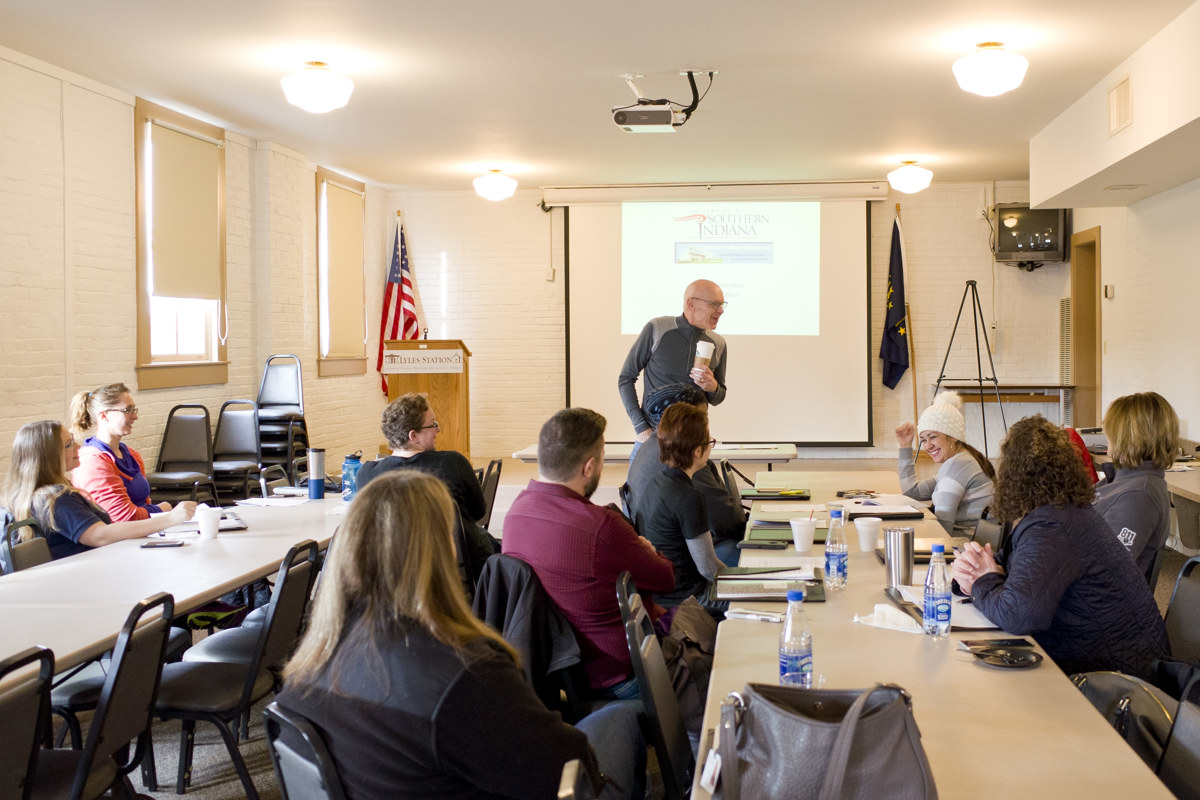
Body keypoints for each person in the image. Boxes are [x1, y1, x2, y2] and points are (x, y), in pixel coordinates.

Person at [277, 470, 645, 800]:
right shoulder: (465, 672)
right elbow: (559, 769)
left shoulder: (309, 664)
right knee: (619, 720)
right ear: (442, 551)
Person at [951, 415, 1169, 680]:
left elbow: (1018, 616)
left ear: (1012, 476)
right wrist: (973, 569)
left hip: (1120, 684)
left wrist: (982, 582)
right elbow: (1022, 567)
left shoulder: (1051, 526)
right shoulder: (1064, 513)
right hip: (1123, 661)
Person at [502, 407, 675, 698]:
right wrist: (647, 548)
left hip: (557, 673)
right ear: (589, 467)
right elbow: (666, 579)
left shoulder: (514, 513)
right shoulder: (601, 528)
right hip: (621, 677)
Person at [2, 420, 196, 560]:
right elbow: (100, 535)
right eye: (69, 444)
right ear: (50, 456)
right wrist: (171, 518)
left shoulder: (25, 496)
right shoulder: (56, 497)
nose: (78, 446)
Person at [355, 392, 497, 574]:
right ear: (413, 436)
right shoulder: (452, 463)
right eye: (433, 425)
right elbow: (478, 512)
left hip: (393, 574)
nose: (438, 430)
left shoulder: (367, 474)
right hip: (457, 571)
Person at [627, 382, 744, 563]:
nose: (704, 425)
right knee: (752, 554)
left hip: (658, 555)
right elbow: (727, 521)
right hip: (680, 561)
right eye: (700, 417)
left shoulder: (647, 448)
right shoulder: (685, 458)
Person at [633, 403, 725, 608]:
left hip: (662, 596)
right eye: (710, 442)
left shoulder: (655, 483)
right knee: (760, 602)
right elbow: (709, 569)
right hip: (689, 601)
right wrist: (746, 582)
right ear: (698, 451)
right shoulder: (688, 497)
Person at [618, 279, 728, 447]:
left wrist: (712, 387)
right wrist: (641, 428)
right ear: (691, 304)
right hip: (654, 441)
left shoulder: (718, 343)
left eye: (722, 304)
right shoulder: (658, 328)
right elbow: (626, 378)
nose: (720, 310)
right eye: (714, 304)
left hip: (694, 444)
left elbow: (718, 398)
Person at [1093, 391, 1178, 583]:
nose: (1108, 443)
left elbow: (1104, 573)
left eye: (1111, 435)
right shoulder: (1123, 480)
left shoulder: (1139, 495)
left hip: (1098, 607)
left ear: (1129, 438)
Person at [69, 382, 172, 522]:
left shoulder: (131, 454)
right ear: (104, 416)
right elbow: (122, 517)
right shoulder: (92, 462)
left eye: (134, 409)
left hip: (141, 531)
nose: (135, 416)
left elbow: (144, 504)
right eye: (128, 410)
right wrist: (163, 509)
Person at [895, 390, 995, 535]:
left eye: (933, 437)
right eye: (923, 439)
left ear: (953, 436)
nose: (928, 445)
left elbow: (941, 531)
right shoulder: (965, 460)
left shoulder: (957, 466)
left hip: (964, 548)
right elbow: (912, 492)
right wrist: (905, 447)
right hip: (974, 546)